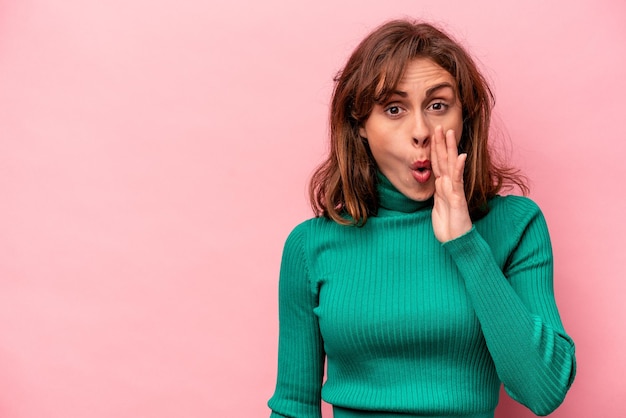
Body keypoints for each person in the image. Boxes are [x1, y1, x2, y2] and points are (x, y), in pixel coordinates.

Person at [268, 19, 576, 418]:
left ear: (464, 117)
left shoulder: (516, 226)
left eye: (437, 106)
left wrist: (465, 243)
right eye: (393, 109)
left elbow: (543, 389)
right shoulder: (309, 246)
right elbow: (293, 407)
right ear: (360, 124)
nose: (421, 131)